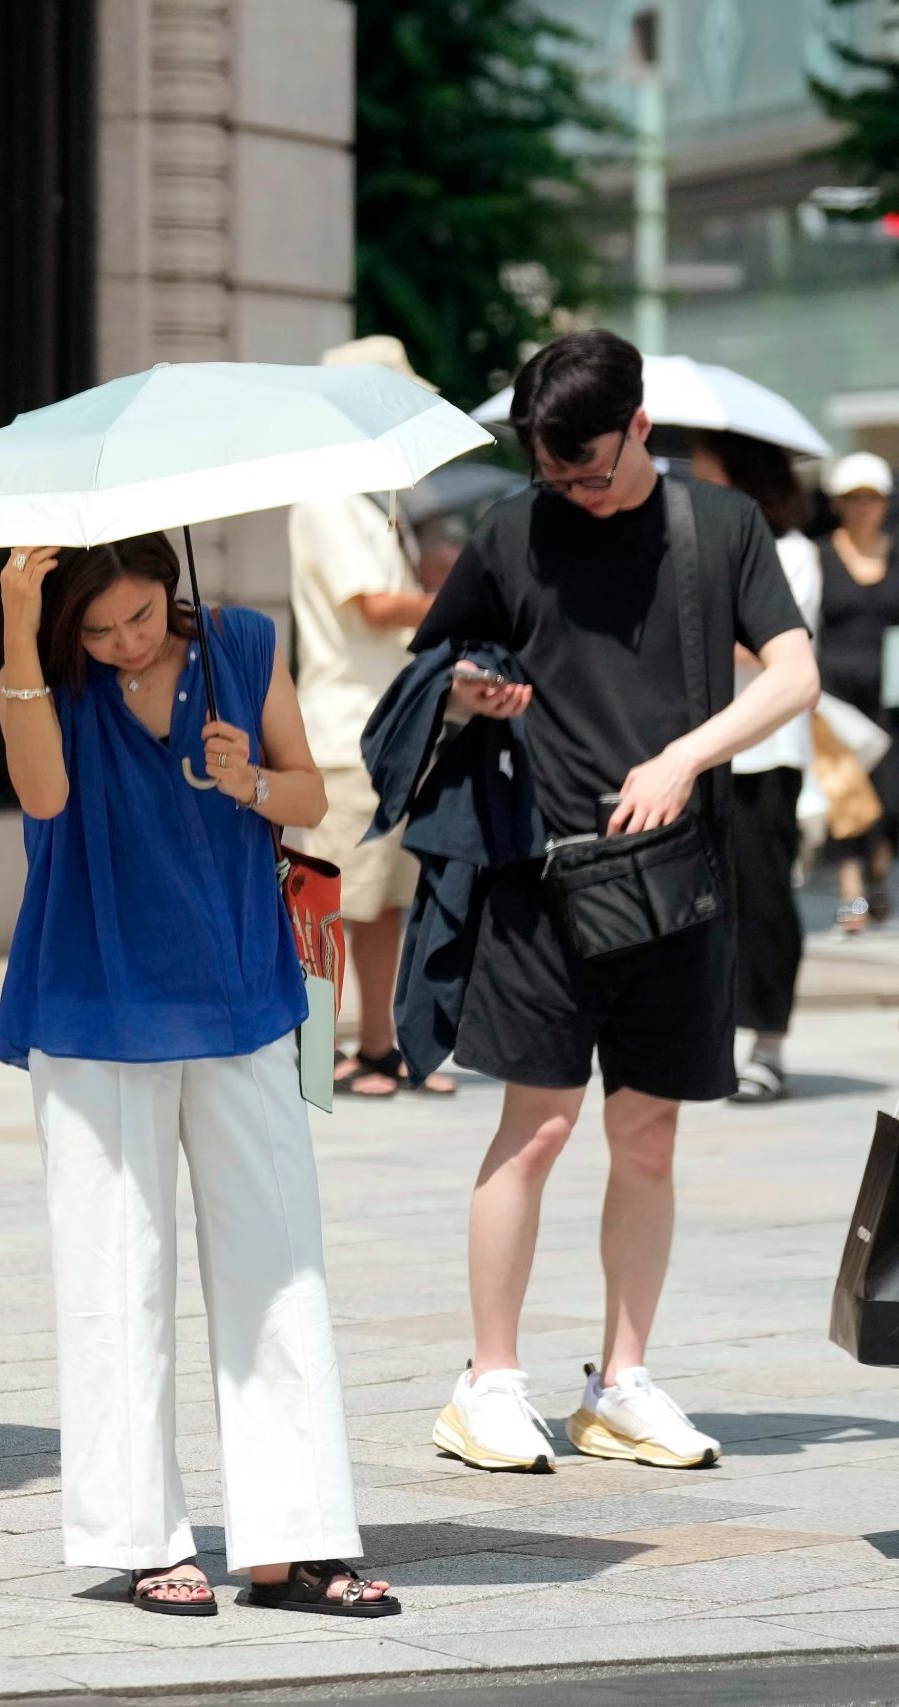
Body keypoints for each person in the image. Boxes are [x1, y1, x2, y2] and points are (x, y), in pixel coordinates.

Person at [413, 331, 816, 1475]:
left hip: (675, 875)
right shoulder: (509, 529)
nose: (575, 495)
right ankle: (488, 1384)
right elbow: (432, 668)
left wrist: (684, 756)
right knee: (534, 1130)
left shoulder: (718, 527)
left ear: (639, 427)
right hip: (541, 879)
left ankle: (619, 1381)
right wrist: (470, 692)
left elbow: (791, 673)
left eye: (590, 470)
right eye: (554, 476)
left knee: (647, 1134)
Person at [0, 533, 395, 1619]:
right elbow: (38, 798)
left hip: (244, 989)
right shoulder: (52, 677)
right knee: (113, 1274)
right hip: (91, 999)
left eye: (135, 616)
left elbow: (309, 794)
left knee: (279, 1264)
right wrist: (19, 630)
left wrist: (250, 778)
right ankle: (140, 1540)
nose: (122, 642)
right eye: (97, 627)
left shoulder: (242, 643)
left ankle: (295, 1541)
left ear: (168, 586)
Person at [288, 337, 455, 1098]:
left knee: (382, 903)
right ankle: (315, 1055)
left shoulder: (369, 499)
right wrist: (459, 596)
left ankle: (378, 1049)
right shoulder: (328, 495)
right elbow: (374, 605)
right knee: (329, 901)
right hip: (346, 735)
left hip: (384, 729)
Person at [687, 430, 823, 1105]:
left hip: (766, 754)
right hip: (702, 751)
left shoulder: (793, 553)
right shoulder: (696, 546)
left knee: (766, 900)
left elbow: (774, 649)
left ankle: (768, 1042)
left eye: (709, 471)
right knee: (708, 905)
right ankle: (717, 1037)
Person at [818, 452, 898, 935]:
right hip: (835, 696)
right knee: (844, 795)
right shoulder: (819, 554)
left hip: (890, 698)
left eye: (872, 498)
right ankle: (852, 901)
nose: (864, 508)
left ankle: (878, 874)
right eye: (854, 498)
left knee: (889, 802)